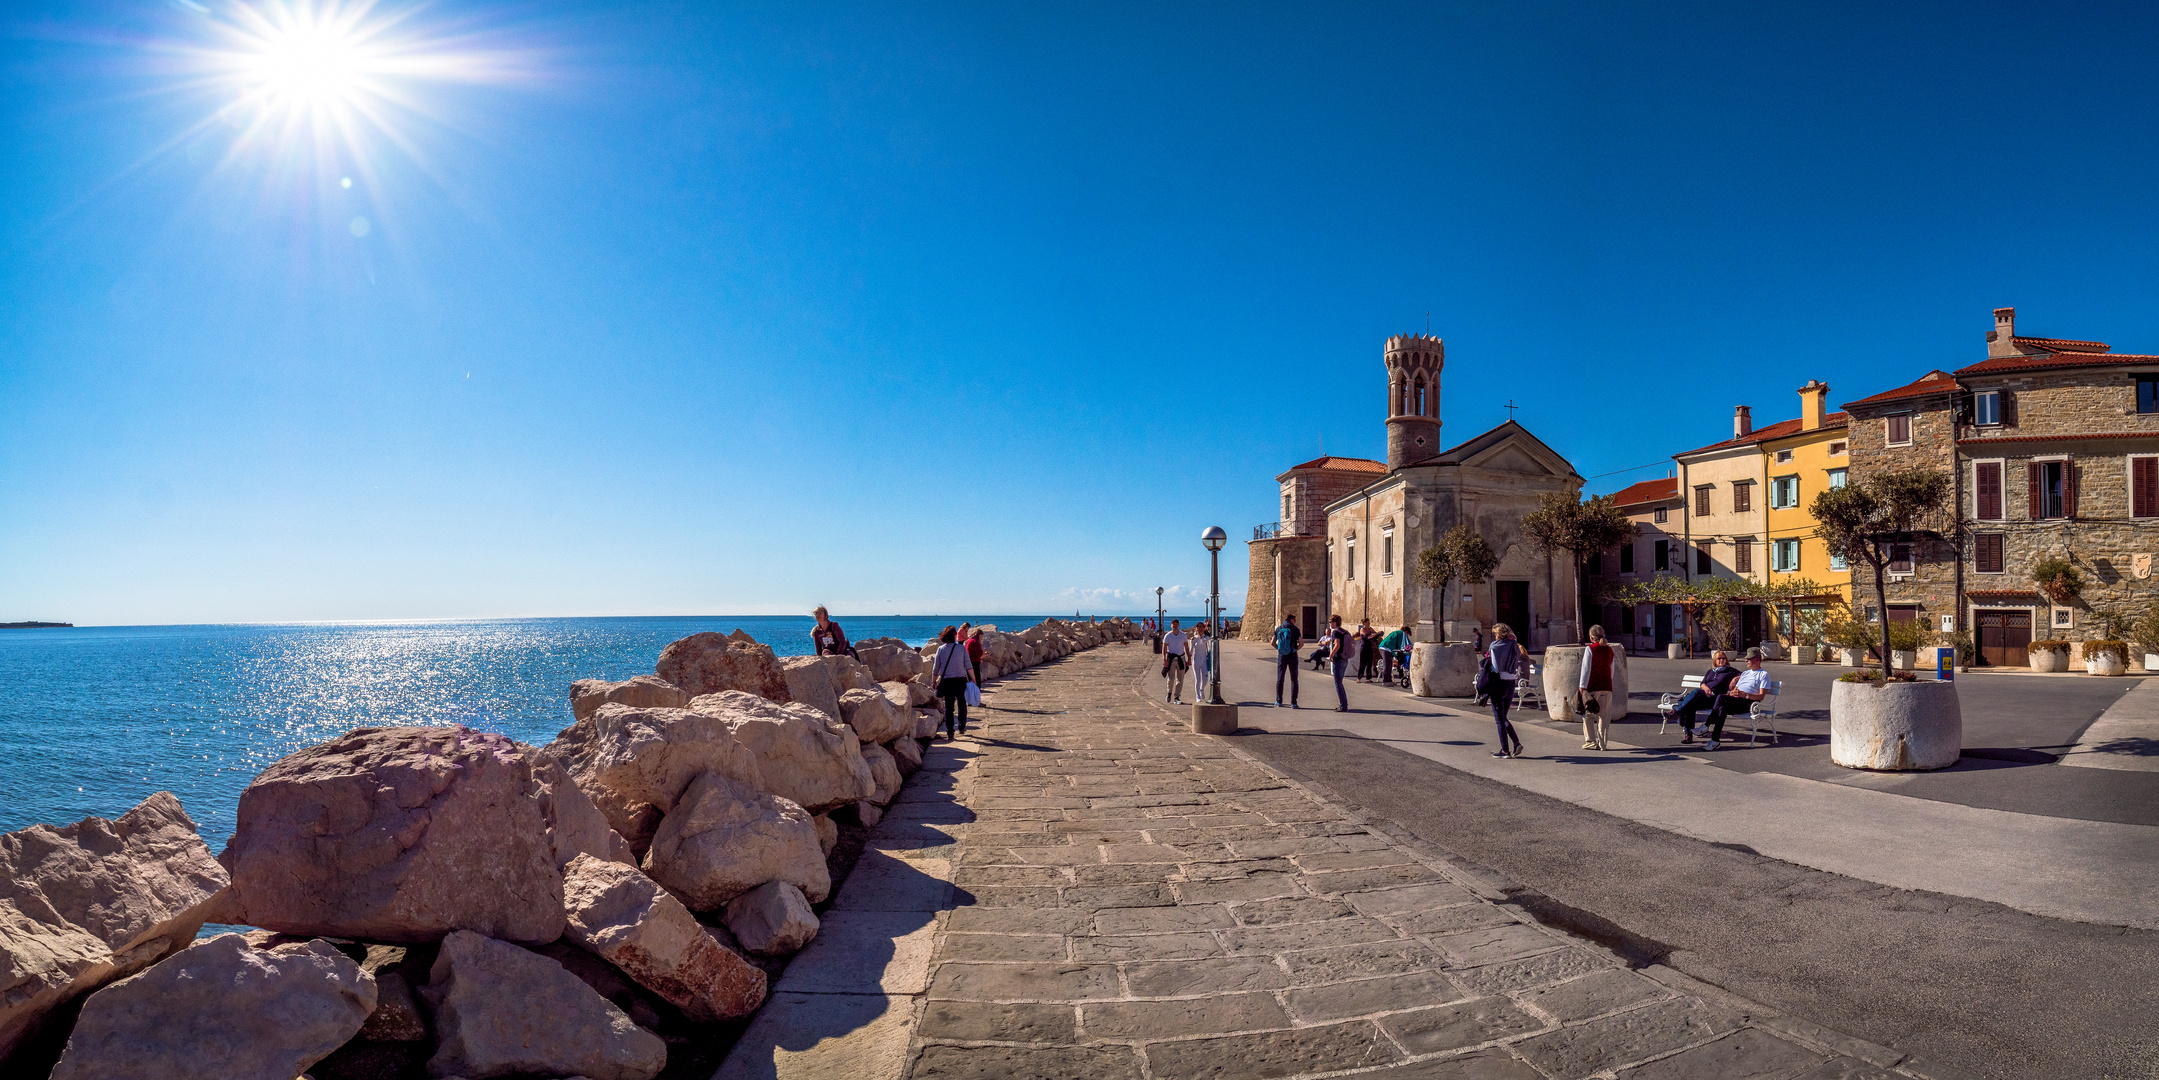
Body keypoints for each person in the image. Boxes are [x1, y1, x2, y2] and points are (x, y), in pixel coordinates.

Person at [1699, 648, 1772, 751]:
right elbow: (1736, 689)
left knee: (1720, 697)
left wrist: (1745, 695)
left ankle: (1706, 726)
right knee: (1722, 709)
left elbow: (1761, 696)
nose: (1746, 661)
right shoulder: (1746, 673)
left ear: (1756, 660)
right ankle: (1715, 741)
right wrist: (1733, 692)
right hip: (1736, 701)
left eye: (1748, 659)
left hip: (1748, 703)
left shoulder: (1763, 675)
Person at [1672, 650, 1741, 746]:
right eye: (1719, 658)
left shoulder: (1730, 671)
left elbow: (1745, 675)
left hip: (1715, 699)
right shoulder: (1710, 671)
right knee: (1691, 705)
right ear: (1714, 660)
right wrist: (1706, 688)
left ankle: (1677, 710)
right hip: (1704, 697)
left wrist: (1735, 679)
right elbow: (1702, 683)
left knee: (1695, 692)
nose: (1721, 660)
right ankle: (1688, 735)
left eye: (1723, 658)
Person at [1484, 623, 1528, 757]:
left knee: (1499, 719)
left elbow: (1496, 668)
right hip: (1511, 682)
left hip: (1499, 683)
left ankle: (1505, 750)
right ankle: (1516, 743)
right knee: (1503, 717)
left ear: (1498, 634)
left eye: (1495, 633)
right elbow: (1513, 636)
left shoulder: (1494, 646)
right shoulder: (1514, 644)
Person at [1575, 625, 1617, 750]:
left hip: (1592, 686)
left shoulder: (1590, 649)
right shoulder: (1609, 650)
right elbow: (1612, 670)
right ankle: (1603, 743)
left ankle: (1590, 740)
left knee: (1588, 714)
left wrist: (1582, 686)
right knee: (1603, 717)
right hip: (1606, 686)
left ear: (1591, 637)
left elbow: (1586, 669)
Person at [930, 626, 976, 739]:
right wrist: (973, 678)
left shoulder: (941, 649)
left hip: (947, 681)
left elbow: (936, 668)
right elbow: (968, 665)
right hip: (960, 680)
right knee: (962, 704)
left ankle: (950, 731)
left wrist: (934, 681)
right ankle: (961, 726)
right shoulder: (961, 648)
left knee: (949, 707)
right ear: (955, 636)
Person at [1273, 613, 1301, 707]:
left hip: (1282, 656)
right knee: (1294, 679)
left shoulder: (1279, 628)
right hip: (1292, 655)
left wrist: (1279, 649)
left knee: (1280, 678)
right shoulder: (1295, 629)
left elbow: (1272, 642)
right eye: (1295, 619)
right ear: (1292, 619)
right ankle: (1293, 702)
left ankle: (1278, 701)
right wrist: (1296, 649)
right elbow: (1301, 643)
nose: (1295, 621)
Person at [1325, 615, 1353, 712]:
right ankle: (1343, 704)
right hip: (1345, 658)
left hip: (1338, 659)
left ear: (1336, 622)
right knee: (1340, 682)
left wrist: (1331, 655)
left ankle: (1343, 705)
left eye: (1331, 622)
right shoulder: (1344, 631)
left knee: (1338, 683)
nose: (1330, 624)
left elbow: (1337, 645)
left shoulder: (1336, 632)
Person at [1161, 619, 1190, 704]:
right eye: (1173, 624)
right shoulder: (1168, 636)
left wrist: (1189, 658)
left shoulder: (1183, 635)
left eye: (1176, 624)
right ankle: (1169, 693)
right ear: (1171, 625)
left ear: (1179, 625)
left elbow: (1186, 647)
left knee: (1180, 679)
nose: (1175, 626)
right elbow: (1164, 648)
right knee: (1171, 678)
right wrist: (1164, 659)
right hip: (1171, 658)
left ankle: (1177, 696)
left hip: (1181, 658)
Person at [1191, 622, 1212, 702]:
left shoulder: (1206, 637)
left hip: (1204, 660)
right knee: (1198, 679)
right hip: (1196, 660)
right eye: (1198, 627)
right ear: (1196, 629)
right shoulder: (1193, 639)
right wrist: (1188, 658)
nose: (1200, 629)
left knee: (1205, 678)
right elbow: (1191, 650)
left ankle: (1201, 689)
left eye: (1201, 627)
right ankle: (1197, 696)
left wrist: (1202, 635)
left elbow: (1203, 641)